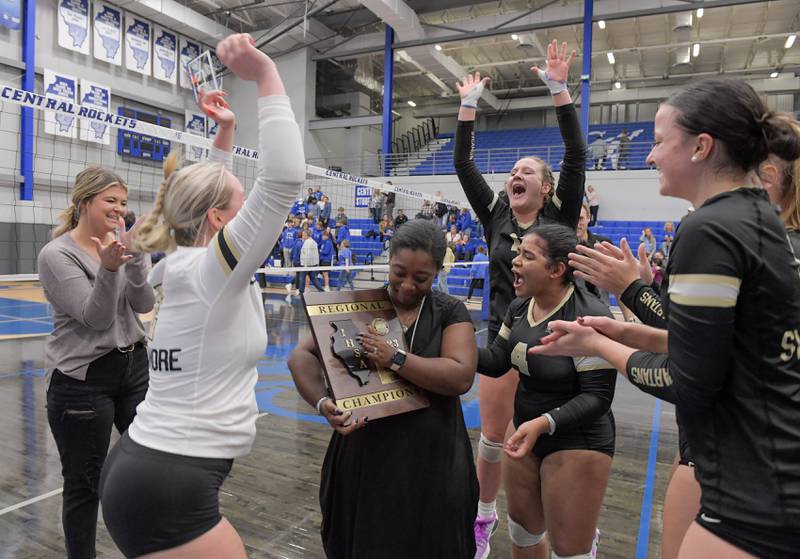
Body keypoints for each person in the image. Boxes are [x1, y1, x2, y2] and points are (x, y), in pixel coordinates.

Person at [533, 77, 800, 559]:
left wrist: (599, 347)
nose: (650, 156)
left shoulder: (711, 228)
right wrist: (621, 329)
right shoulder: (760, 218)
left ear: (701, 146)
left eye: (658, 142)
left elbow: (688, 383)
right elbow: (726, 345)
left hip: (751, 498)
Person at [98, 34, 306, 558]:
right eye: (236, 208)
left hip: (150, 466)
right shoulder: (210, 273)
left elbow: (211, 196)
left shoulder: (182, 266)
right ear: (218, 220)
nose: (247, 218)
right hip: (168, 484)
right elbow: (281, 181)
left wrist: (226, 131)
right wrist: (265, 77)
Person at [454, 39, 585, 558]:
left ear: (548, 186)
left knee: (548, 440)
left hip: (556, 340)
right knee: (491, 438)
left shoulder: (559, 215)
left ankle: (569, 529)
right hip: (503, 335)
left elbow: (576, 152)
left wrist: (558, 88)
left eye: (527, 170)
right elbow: (464, 162)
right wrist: (468, 105)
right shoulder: (496, 216)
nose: (516, 174)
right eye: (513, 171)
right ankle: (484, 518)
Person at [288, 219, 479, 558]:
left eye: (421, 278)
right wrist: (321, 404)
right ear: (388, 262)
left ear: (437, 271)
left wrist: (395, 358)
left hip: (430, 459)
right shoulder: (357, 304)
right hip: (366, 454)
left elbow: (460, 375)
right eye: (398, 272)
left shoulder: (450, 310)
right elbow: (301, 355)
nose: (407, 285)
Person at [478, 224, 614, 559]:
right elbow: (496, 361)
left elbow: (597, 398)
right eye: (517, 253)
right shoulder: (520, 306)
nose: (515, 262)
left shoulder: (589, 316)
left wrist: (543, 423)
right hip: (526, 430)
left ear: (556, 270)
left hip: (577, 440)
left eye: (527, 255)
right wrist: (451, 345)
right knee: (523, 535)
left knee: (569, 551)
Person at [38, 167, 154, 559]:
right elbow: (96, 318)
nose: (120, 209)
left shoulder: (122, 241)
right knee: (85, 485)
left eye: (123, 202)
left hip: (135, 368)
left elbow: (144, 304)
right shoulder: (57, 255)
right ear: (85, 201)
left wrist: (136, 258)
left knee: (151, 465)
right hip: (82, 380)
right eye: (110, 200)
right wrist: (108, 267)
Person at [576, 204, 612, 304]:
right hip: (573, 311)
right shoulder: (561, 247)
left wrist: (629, 318)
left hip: (601, 308)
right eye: (573, 218)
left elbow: (618, 283)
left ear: (589, 218)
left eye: (580, 218)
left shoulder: (604, 245)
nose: (576, 223)